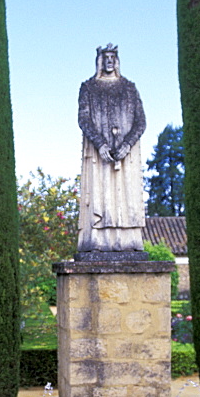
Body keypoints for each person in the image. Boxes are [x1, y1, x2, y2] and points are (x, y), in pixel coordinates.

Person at [77, 42, 147, 253]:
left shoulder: (129, 87)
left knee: (126, 193)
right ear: (99, 61)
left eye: (112, 58)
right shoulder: (88, 87)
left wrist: (127, 144)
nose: (109, 62)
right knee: (101, 192)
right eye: (105, 58)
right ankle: (99, 240)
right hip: (100, 155)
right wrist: (100, 144)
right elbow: (83, 118)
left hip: (127, 154)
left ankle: (129, 240)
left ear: (117, 61)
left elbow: (141, 121)